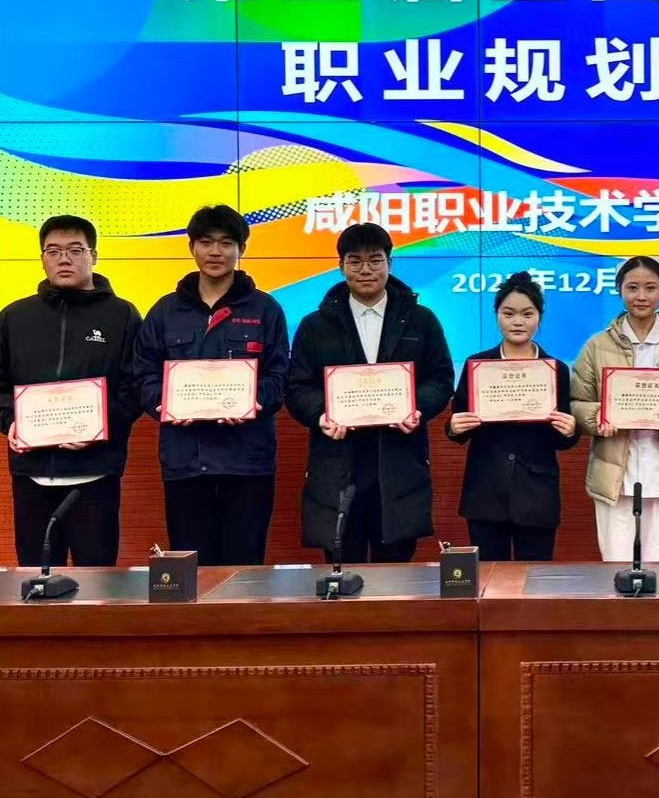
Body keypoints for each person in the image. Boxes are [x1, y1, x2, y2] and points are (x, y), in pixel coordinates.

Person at [0, 215, 142, 567]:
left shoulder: (122, 316)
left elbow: (136, 385)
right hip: (32, 473)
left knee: (97, 581)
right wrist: (11, 422)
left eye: (75, 250)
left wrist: (101, 426)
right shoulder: (15, 318)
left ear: (93, 256)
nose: (64, 259)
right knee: (36, 578)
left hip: (95, 474)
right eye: (54, 251)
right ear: (42, 258)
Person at [286, 223, 454, 563]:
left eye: (375, 260)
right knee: (341, 569)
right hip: (337, 464)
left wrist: (418, 408)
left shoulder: (421, 320)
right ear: (341, 266)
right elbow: (297, 387)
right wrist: (322, 415)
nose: (366, 270)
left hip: (398, 463)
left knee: (395, 575)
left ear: (390, 263)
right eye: (355, 261)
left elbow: (440, 378)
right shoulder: (315, 325)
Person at [133, 205, 290, 565]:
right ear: (192, 247)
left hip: (247, 463)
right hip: (185, 461)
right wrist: (164, 405)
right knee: (193, 572)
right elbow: (144, 374)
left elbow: (279, 376)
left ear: (241, 249)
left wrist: (251, 404)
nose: (215, 252)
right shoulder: (165, 311)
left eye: (226, 243)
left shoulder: (266, 310)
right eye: (206, 242)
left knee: (244, 571)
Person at [570, 256, 659, 562]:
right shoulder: (596, 346)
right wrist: (597, 417)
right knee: (615, 563)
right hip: (614, 469)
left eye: (650, 287)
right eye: (632, 288)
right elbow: (578, 401)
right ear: (620, 290)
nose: (641, 296)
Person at [444, 272, 579, 560]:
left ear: (539, 317)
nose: (518, 321)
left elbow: (562, 439)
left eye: (527, 314)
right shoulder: (477, 365)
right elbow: (458, 426)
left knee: (536, 579)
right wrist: (454, 427)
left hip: (537, 494)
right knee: (489, 578)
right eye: (509, 313)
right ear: (497, 316)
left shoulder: (556, 369)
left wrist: (570, 431)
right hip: (486, 492)